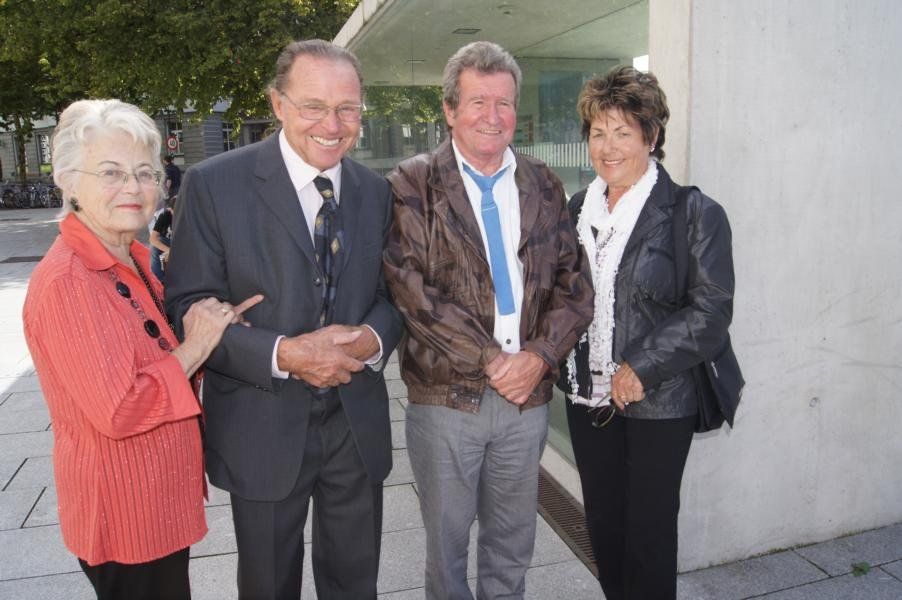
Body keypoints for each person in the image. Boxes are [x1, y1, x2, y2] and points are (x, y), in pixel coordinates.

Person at [165, 39, 403, 599]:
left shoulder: (375, 191)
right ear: (277, 103)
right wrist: (285, 355)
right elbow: (186, 306)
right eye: (313, 106)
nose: (332, 124)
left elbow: (393, 295)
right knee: (269, 585)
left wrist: (370, 339)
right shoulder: (214, 184)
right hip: (262, 425)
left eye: (347, 108)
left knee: (356, 584)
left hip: (354, 424)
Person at [22, 99, 261, 600]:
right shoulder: (71, 280)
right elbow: (121, 408)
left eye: (145, 173)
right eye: (111, 172)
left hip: (154, 502)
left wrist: (208, 329)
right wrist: (195, 346)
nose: (133, 187)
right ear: (68, 181)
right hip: (124, 513)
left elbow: (153, 355)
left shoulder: (130, 256)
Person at [383, 41, 594, 599]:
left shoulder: (543, 183)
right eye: (478, 102)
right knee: (447, 549)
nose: (493, 116)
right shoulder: (412, 182)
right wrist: (492, 359)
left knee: (512, 545)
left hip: (526, 398)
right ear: (450, 109)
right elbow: (410, 290)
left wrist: (540, 357)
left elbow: (574, 285)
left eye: (504, 103)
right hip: (446, 399)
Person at [558, 65, 736, 600]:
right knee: (604, 526)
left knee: (649, 534)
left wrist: (642, 366)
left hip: (659, 400)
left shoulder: (694, 212)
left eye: (623, 132)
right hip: (588, 398)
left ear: (651, 137)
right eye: (598, 133)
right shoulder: (576, 210)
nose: (608, 147)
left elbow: (711, 311)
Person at [149, 195, 174, 281]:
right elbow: (153, 239)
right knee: (154, 246)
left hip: (185, 242)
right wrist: (169, 251)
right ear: (170, 209)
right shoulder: (165, 215)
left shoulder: (188, 216)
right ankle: (158, 280)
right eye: (175, 211)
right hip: (170, 242)